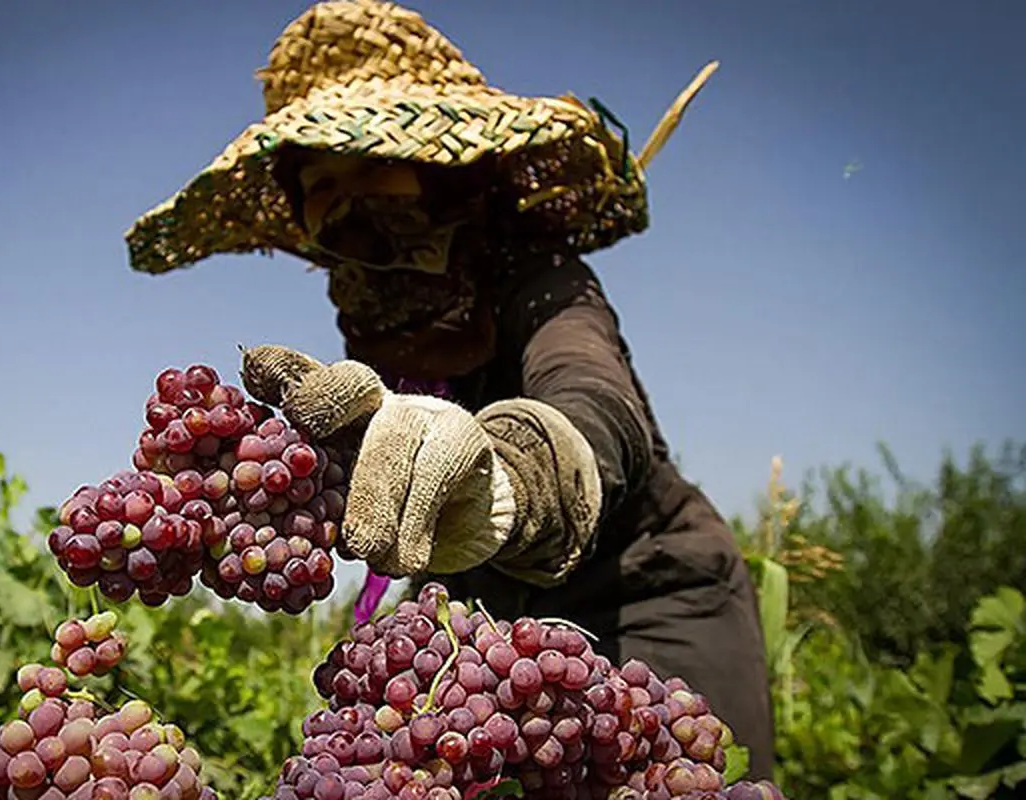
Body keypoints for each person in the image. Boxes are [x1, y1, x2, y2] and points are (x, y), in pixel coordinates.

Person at [124, 0, 775, 779]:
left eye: (372, 164)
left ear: (446, 173)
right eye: (322, 184)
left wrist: (508, 484)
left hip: (644, 593)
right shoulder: (377, 330)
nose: (349, 200)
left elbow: (591, 395)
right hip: (484, 625)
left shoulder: (542, 281)